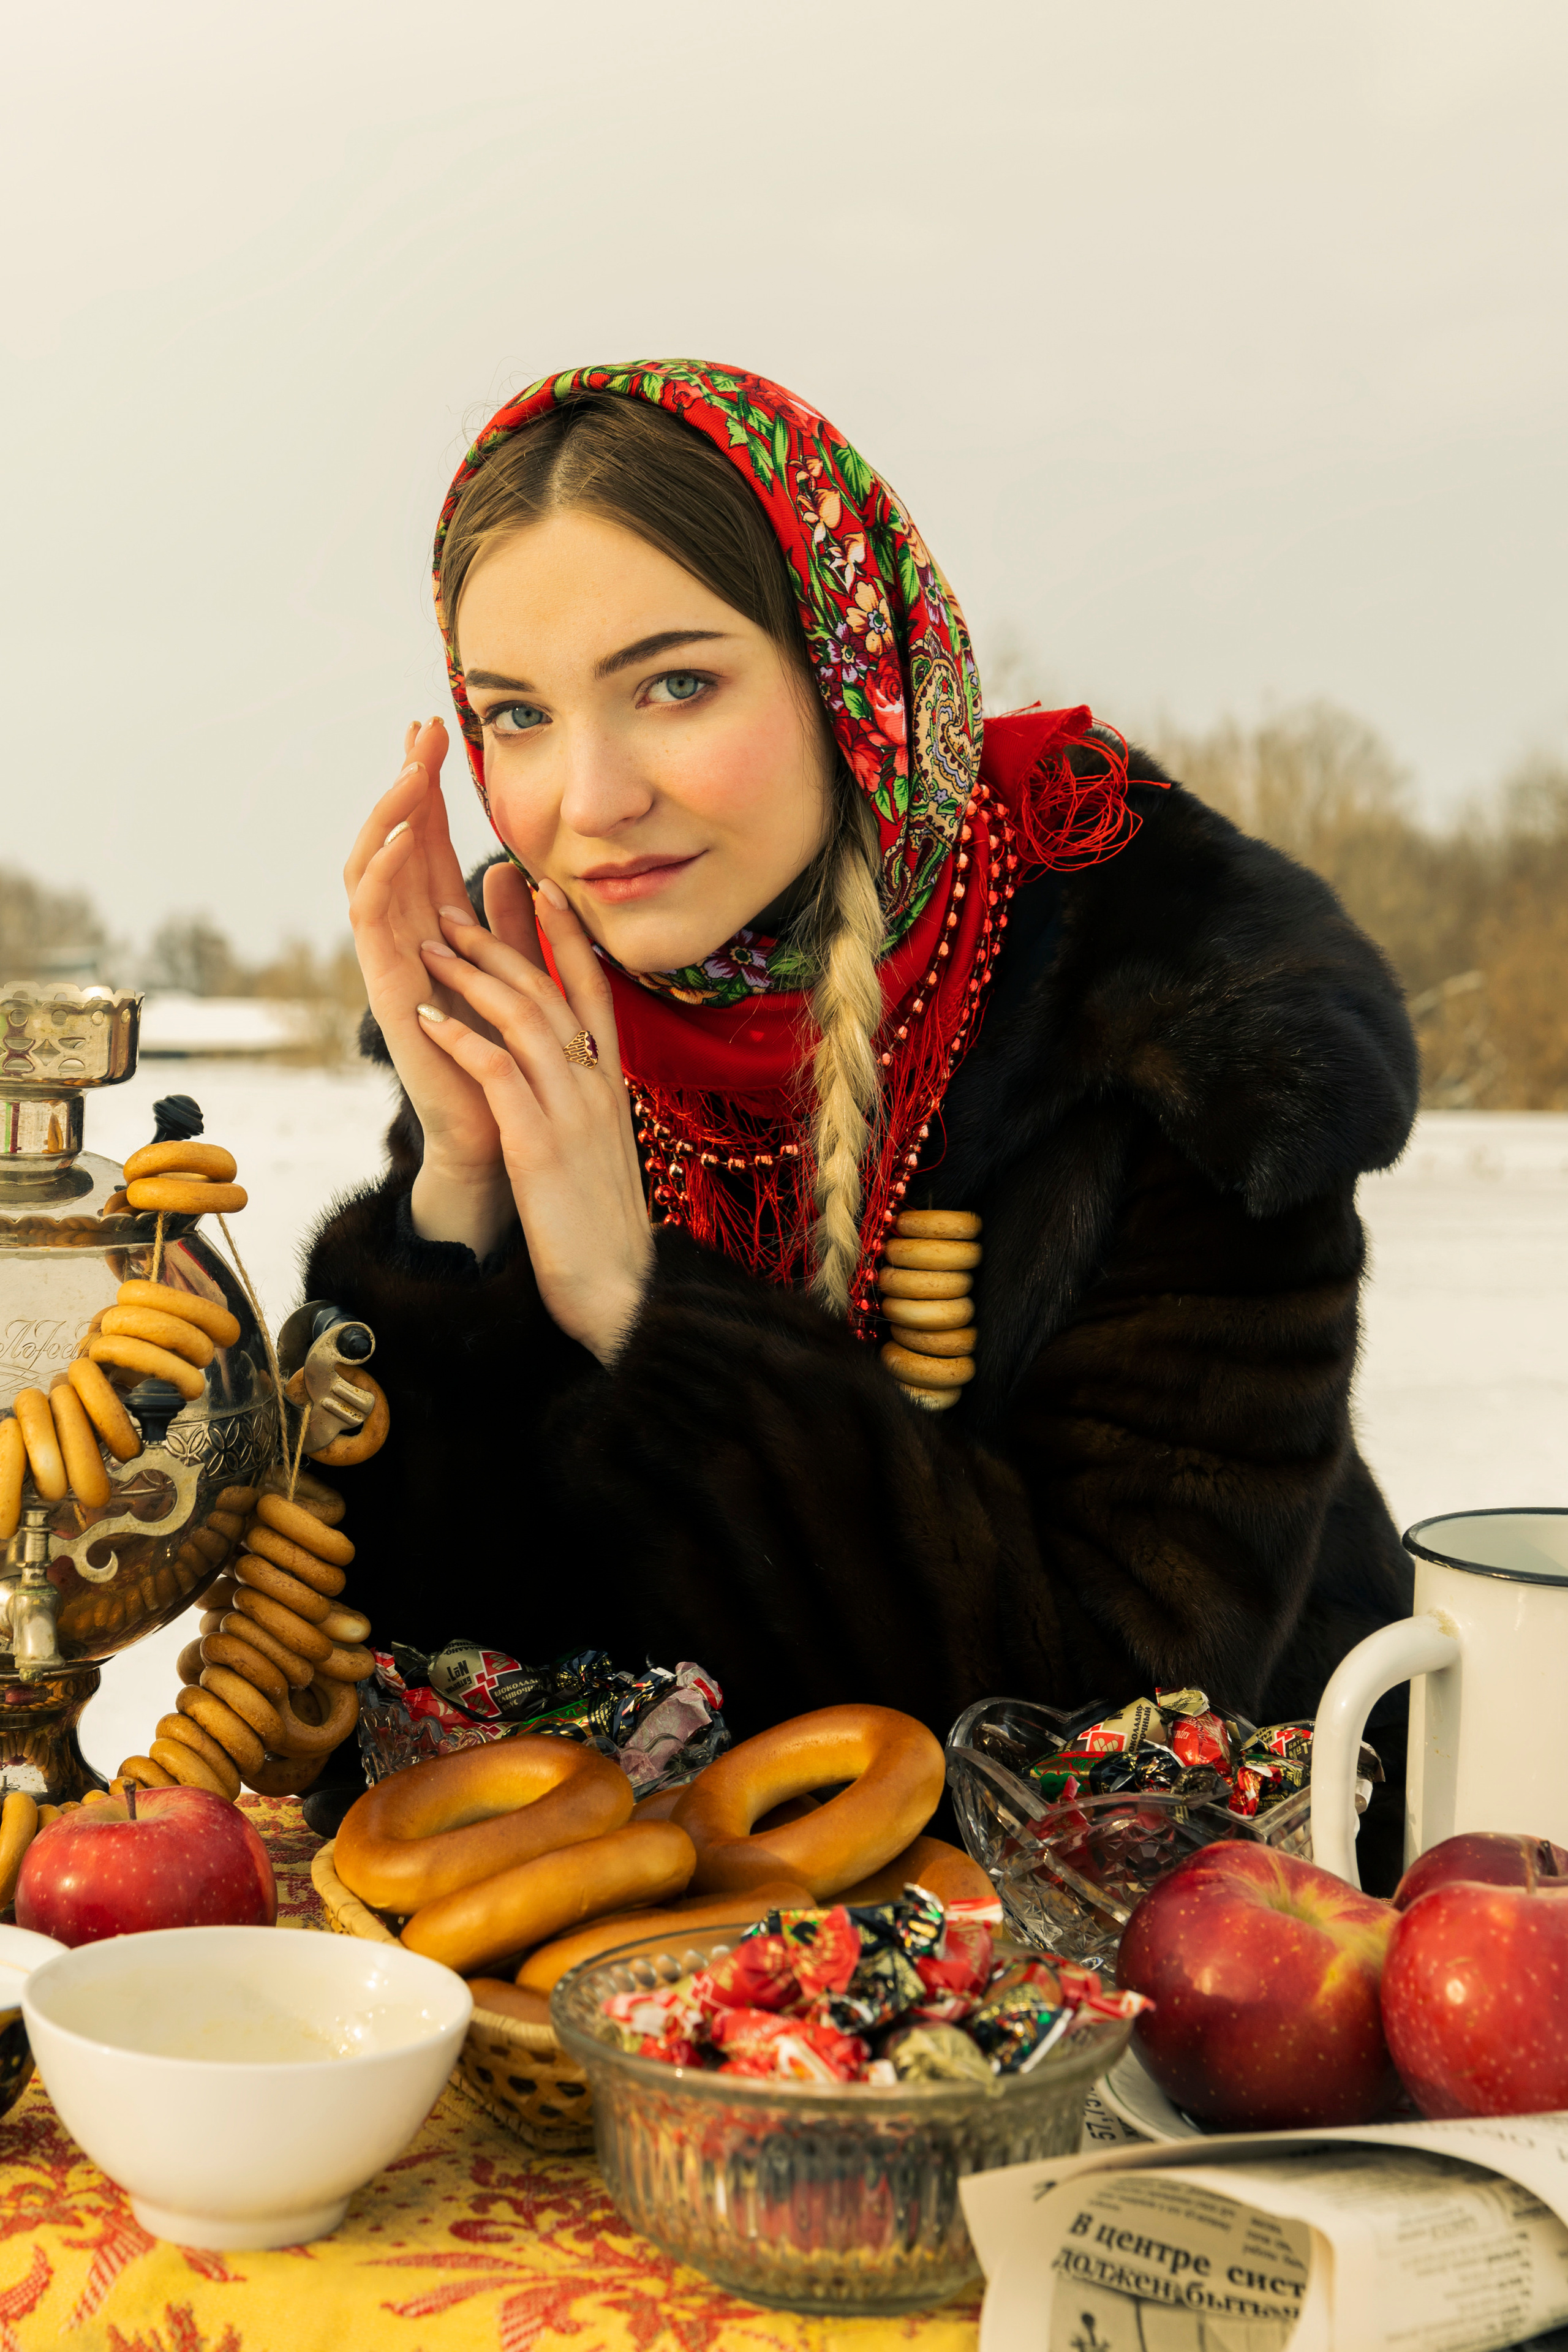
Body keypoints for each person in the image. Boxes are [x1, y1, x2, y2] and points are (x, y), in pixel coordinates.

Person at [307, 360, 1419, 1879]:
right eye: (515, 715)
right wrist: (459, 1208)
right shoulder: (557, 1030)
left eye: (675, 686)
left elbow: (1099, 1748)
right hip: (661, 1989)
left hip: (1190, 1989)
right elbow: (396, 1716)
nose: (588, 798)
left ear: (849, 679)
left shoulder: (1169, 1028)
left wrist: (652, 1321)